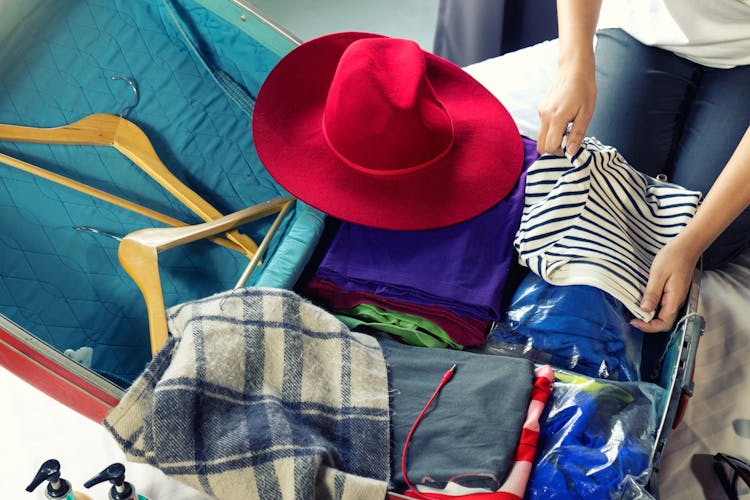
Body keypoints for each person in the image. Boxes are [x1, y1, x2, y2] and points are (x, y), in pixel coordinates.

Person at [536, 0, 750, 333]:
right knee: (600, 187)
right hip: (644, 26)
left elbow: (691, 240)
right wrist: (573, 65)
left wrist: (690, 244)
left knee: (710, 244)